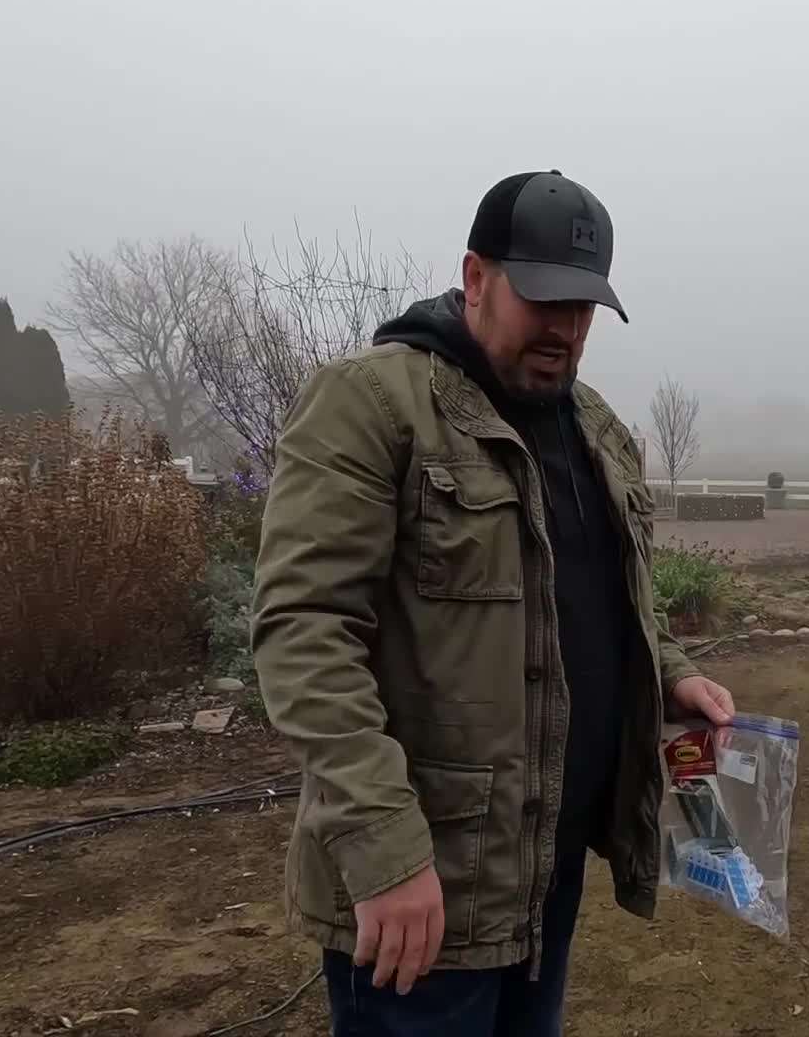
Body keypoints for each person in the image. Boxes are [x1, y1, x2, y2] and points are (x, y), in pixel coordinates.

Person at [252, 170, 736, 1037]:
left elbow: (608, 596)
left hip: (543, 869)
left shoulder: (595, 427)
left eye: (584, 308)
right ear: (476, 278)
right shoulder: (372, 403)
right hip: (422, 889)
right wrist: (385, 851)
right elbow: (304, 632)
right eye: (543, 300)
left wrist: (671, 673)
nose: (566, 329)